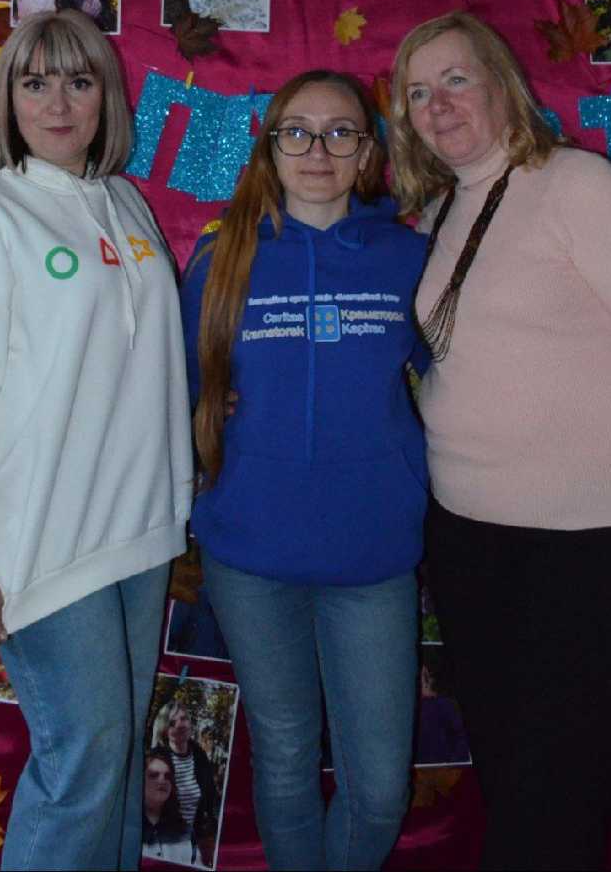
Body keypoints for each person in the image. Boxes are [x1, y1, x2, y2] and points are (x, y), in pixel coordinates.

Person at [389, 11, 611, 871]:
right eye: (416, 92)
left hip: (591, 552)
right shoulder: (439, 214)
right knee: (511, 785)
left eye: (455, 79)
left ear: (502, 84)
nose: (436, 104)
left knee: (549, 804)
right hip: (469, 545)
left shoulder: (575, 184)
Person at [0, 8, 193, 871]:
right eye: (34, 82)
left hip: (139, 534)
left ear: (105, 98)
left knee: (118, 761)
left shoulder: (124, 203)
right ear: (7, 100)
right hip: (45, 542)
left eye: (78, 81)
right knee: (84, 762)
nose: (57, 103)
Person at [180, 70, 429, 870]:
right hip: (250, 553)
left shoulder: (411, 258)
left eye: (340, 132)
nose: (317, 150)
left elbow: (464, 385)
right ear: (269, 147)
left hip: (373, 554)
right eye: (296, 131)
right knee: (285, 757)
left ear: (368, 152)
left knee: (379, 787)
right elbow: (178, 394)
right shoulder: (218, 259)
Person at [152, 699, 219, 847]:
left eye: (183, 718)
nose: (180, 725)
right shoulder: (155, 760)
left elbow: (211, 797)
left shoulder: (200, 757)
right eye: (172, 723)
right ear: (164, 730)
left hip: (196, 841)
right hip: (163, 842)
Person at [142, 747, 203, 867]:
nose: (162, 780)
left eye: (167, 776)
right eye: (153, 775)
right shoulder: (124, 826)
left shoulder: (186, 832)